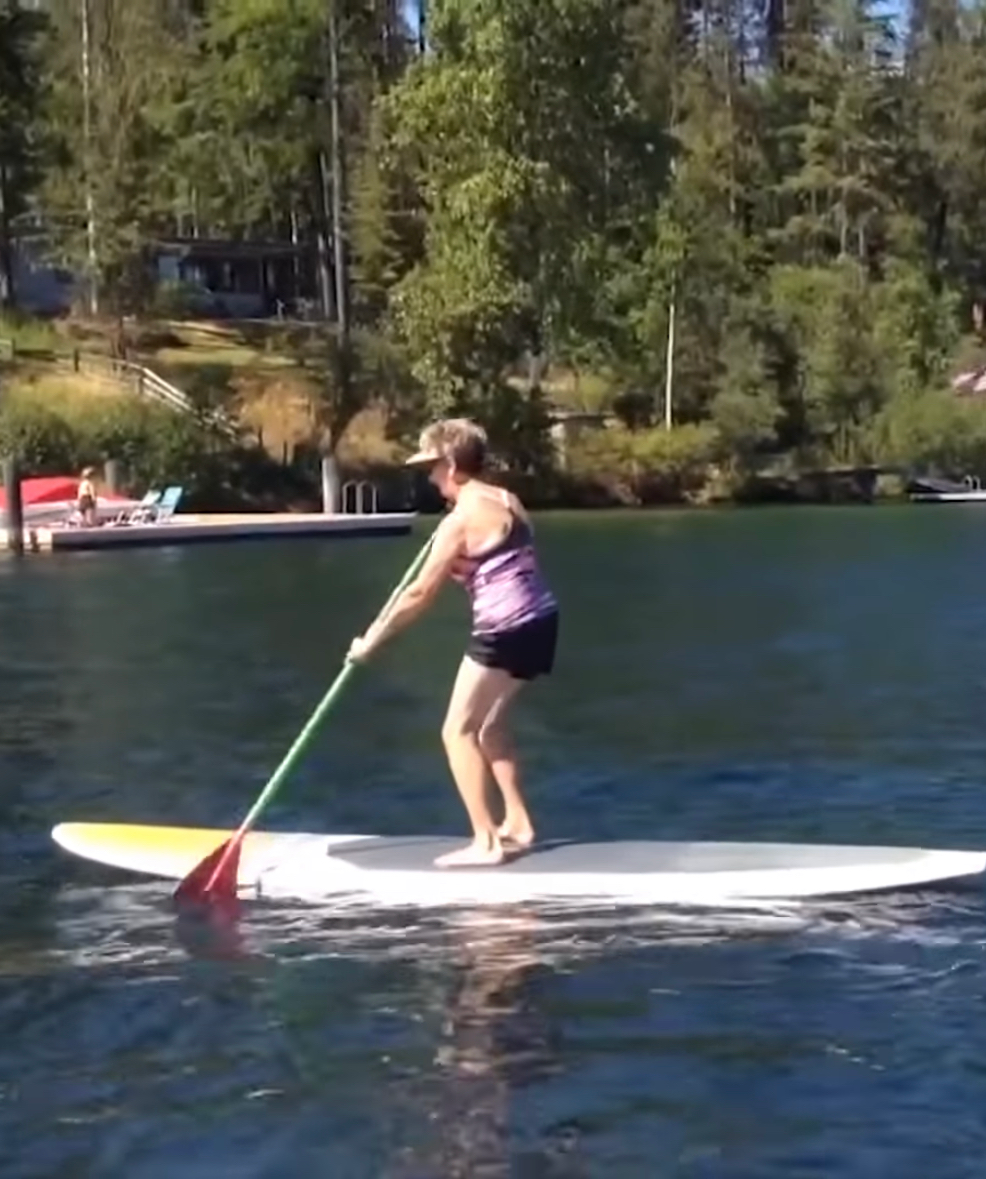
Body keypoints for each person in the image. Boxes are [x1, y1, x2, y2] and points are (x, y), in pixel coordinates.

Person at [347, 418, 559, 868]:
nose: (429, 478)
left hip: (503, 629)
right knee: (489, 727)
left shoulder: (459, 520)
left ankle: (486, 842)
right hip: (542, 622)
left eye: (432, 468)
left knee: (455, 731)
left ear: (449, 464)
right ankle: (518, 823)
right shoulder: (507, 499)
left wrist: (372, 643)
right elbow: (506, 557)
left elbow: (419, 594)